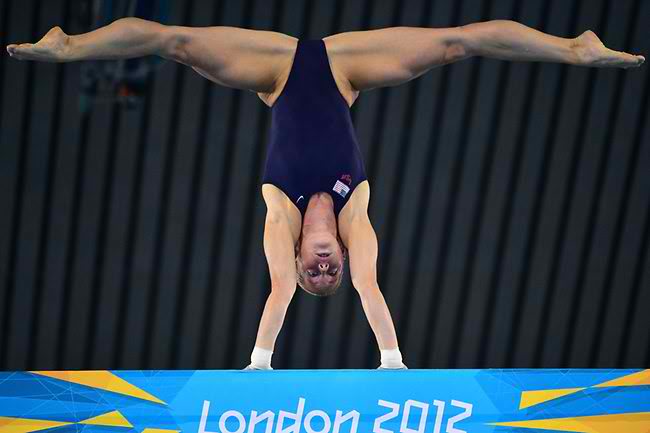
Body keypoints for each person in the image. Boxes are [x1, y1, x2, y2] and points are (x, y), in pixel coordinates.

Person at [7, 18, 644, 370]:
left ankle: (70, 47)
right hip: (343, 70)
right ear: (339, 255)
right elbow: (370, 289)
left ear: (299, 261)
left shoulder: (280, 218)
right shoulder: (355, 216)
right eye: (329, 271)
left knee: (173, 43)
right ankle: (575, 49)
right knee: (457, 43)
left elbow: (279, 291)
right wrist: (392, 363)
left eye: (312, 273)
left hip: (275, 71)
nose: (322, 267)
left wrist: (259, 366)